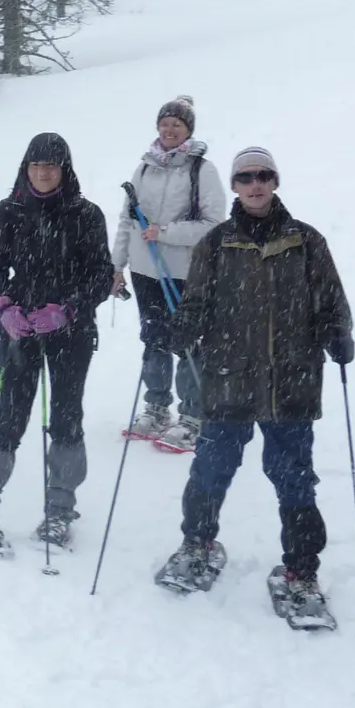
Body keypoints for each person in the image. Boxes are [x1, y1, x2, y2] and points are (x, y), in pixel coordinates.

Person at [155, 148, 354, 624]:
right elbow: (196, 304)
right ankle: (197, 545)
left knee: (295, 480)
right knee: (211, 469)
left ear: (275, 181)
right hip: (229, 381)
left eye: (263, 175)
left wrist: (337, 333)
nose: (255, 184)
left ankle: (300, 572)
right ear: (237, 185)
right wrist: (179, 329)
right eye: (246, 177)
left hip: (292, 383)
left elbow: (331, 300)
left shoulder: (306, 241)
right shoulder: (216, 244)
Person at [0, 133, 113, 553]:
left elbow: (100, 275)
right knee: (10, 417)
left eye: (52, 166)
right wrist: (3, 305)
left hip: (70, 334)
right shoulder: (10, 211)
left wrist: (68, 309)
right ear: (26, 169)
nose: (43, 173)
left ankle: (60, 510)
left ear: (65, 170)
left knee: (66, 418)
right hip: (20, 330)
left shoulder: (86, 214)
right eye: (37, 166)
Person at [110, 95, 227, 452]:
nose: (169, 129)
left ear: (188, 129)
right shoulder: (144, 168)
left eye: (177, 123)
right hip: (146, 272)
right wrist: (117, 266)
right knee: (154, 338)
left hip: (184, 273)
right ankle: (156, 408)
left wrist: (164, 232)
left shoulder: (201, 169)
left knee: (188, 342)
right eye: (165, 123)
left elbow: (213, 224)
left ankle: (192, 415)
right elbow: (127, 220)